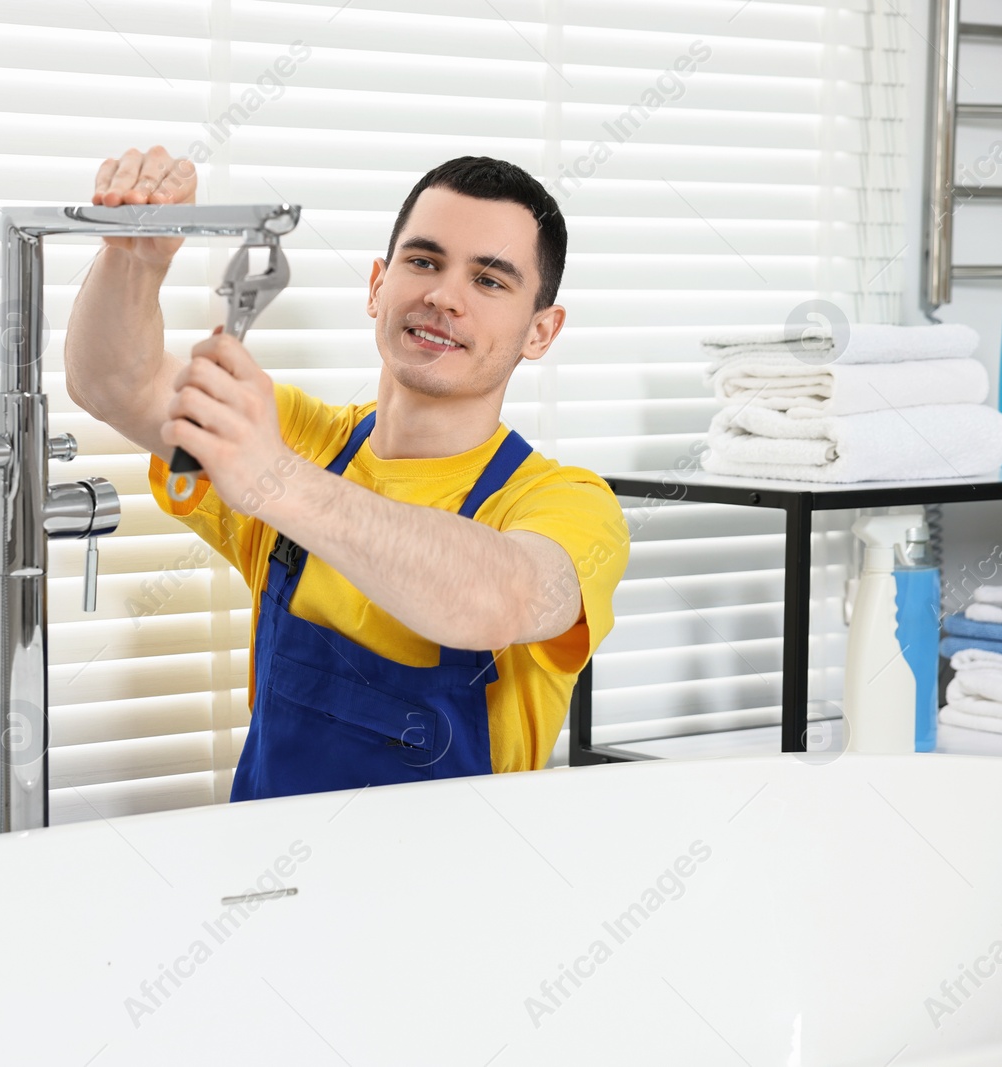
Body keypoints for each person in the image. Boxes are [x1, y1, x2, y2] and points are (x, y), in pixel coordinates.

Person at [64, 145, 630, 802]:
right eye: (423, 261)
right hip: (269, 879)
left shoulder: (568, 502)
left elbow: (499, 599)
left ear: (540, 331)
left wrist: (277, 479)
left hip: (459, 895)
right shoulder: (301, 436)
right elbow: (114, 383)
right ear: (376, 287)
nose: (444, 296)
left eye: (490, 280)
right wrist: (134, 261)